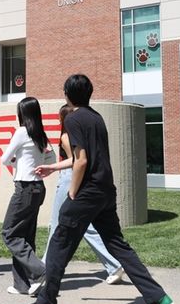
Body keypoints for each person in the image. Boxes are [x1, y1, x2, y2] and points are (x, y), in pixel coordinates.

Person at [14, 74, 174, 304]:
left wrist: (73, 193)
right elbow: (89, 157)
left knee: (58, 244)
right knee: (118, 245)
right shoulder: (96, 117)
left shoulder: (74, 118)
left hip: (86, 192)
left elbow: (82, 160)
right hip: (105, 191)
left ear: (68, 93)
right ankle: (158, 298)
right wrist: (55, 169)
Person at [36, 104, 124, 285]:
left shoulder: (66, 136)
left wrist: (53, 169)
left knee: (57, 223)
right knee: (85, 226)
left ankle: (45, 268)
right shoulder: (78, 134)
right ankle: (114, 264)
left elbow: (75, 161)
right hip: (75, 179)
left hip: (69, 179)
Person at [0, 97, 49, 295]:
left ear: (23, 114)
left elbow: (4, 158)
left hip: (25, 188)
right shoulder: (40, 134)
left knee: (9, 233)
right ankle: (22, 284)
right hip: (38, 188)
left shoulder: (21, 132)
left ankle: (40, 271)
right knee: (26, 236)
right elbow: (49, 158)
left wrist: (15, 163)